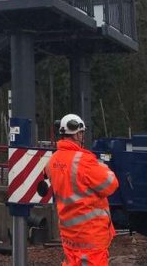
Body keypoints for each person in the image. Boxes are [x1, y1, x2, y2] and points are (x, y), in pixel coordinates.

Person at [46, 113, 119, 266]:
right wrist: (102, 166)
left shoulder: (53, 160)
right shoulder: (84, 161)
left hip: (68, 234)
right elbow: (111, 184)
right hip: (90, 235)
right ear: (78, 134)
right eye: (82, 133)